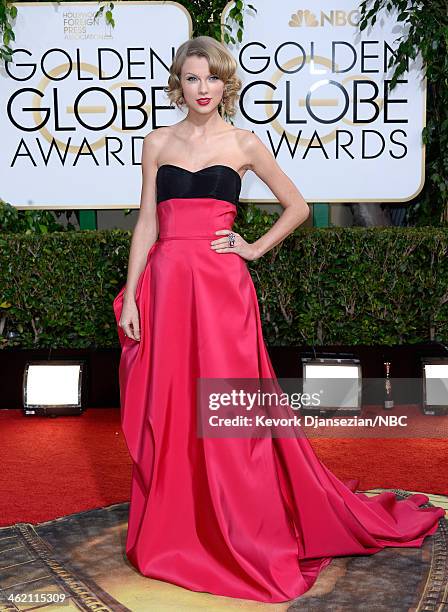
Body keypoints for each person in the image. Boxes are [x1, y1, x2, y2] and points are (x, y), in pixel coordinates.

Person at [113, 35, 445, 603]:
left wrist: (254, 248)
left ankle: (240, 525)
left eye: (213, 78)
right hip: (166, 286)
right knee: (171, 407)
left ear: (225, 84)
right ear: (179, 83)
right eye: (193, 78)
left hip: (221, 292)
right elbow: (146, 220)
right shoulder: (157, 142)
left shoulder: (244, 142)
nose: (203, 89)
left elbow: (299, 207)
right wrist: (134, 293)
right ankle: (177, 527)